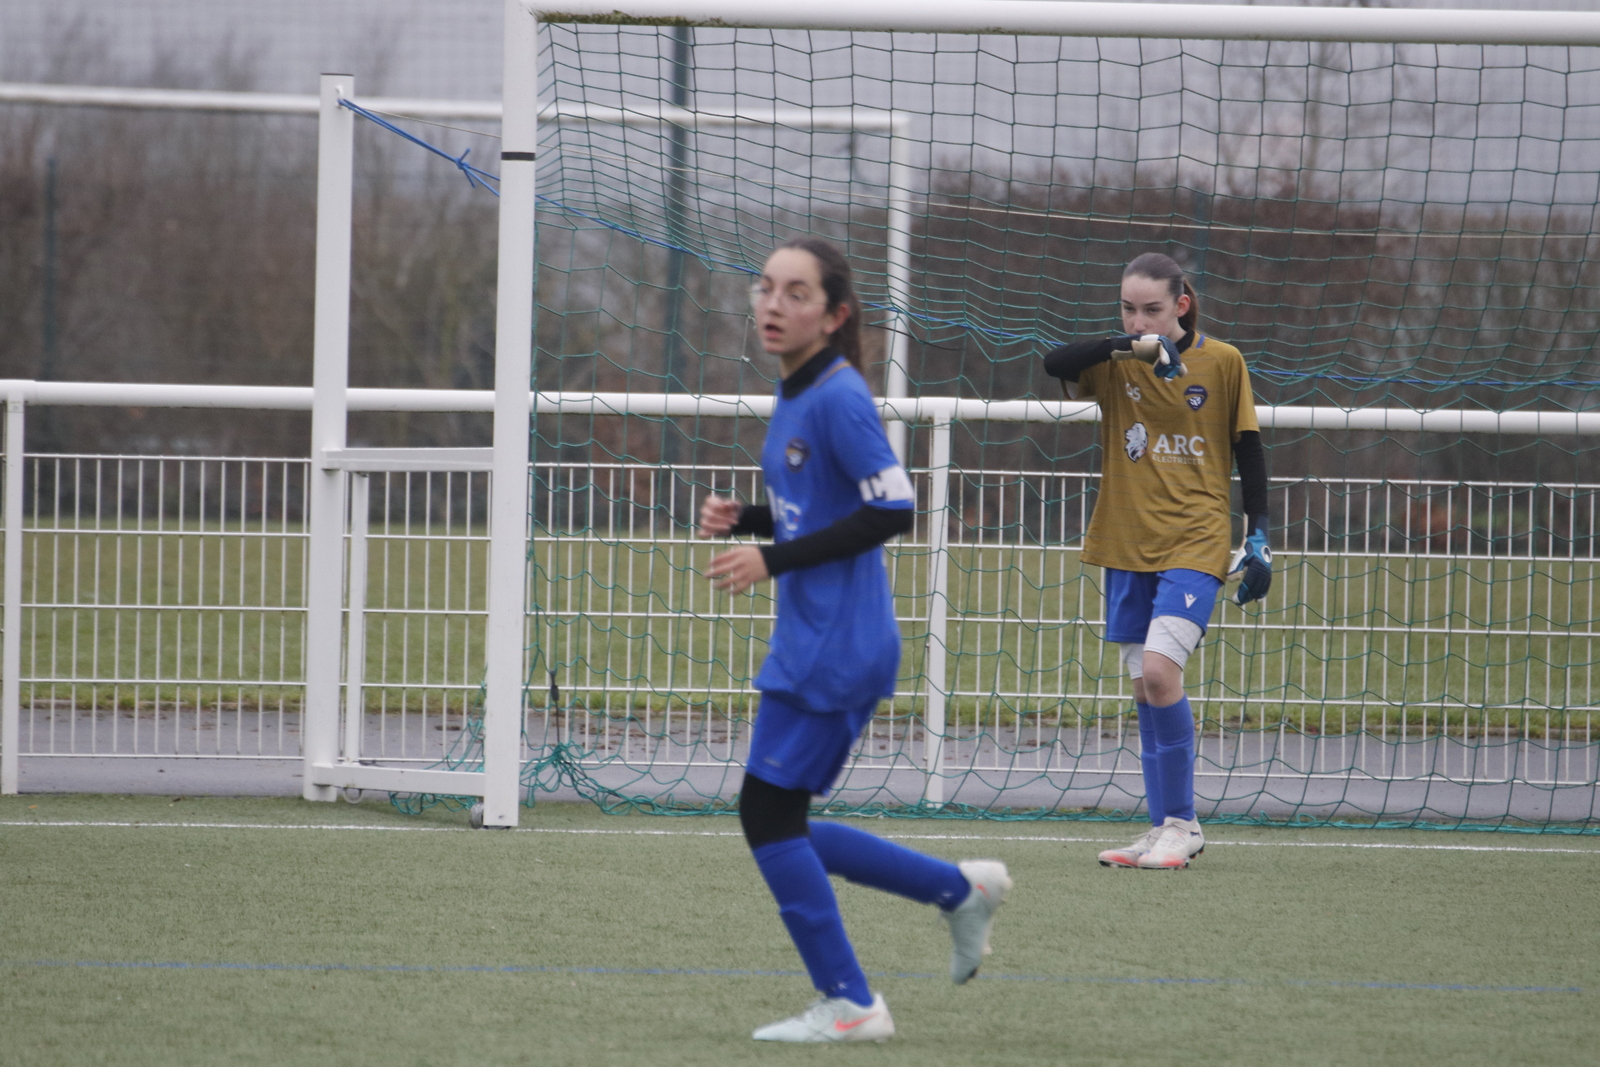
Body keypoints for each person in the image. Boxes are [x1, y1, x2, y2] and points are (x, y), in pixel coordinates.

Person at [699, 237, 1012, 1043]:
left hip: (835, 647)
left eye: (796, 292)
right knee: (781, 821)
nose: (773, 304)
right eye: (766, 287)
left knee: (768, 816)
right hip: (818, 639)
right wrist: (752, 519)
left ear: (834, 314)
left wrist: (770, 559)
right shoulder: (798, 390)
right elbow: (821, 508)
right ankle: (956, 890)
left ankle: (852, 1002)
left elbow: (892, 508)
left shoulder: (838, 397)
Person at [1041, 252, 1271, 870]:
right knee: (1145, 686)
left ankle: (1183, 824)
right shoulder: (1115, 362)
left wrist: (1260, 534)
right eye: (1128, 309)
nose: (1138, 320)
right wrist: (1128, 346)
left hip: (1195, 540)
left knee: (1161, 673)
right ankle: (1162, 825)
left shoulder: (1223, 361)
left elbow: (1249, 450)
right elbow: (1052, 362)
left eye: (1152, 310)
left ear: (1181, 306)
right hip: (1125, 540)